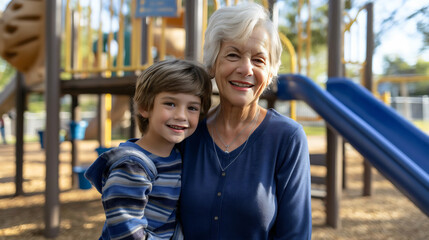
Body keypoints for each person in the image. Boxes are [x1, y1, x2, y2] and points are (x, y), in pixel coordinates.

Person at [178, 3, 312, 239]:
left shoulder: (287, 138)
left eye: (259, 60)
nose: (245, 68)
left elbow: (295, 234)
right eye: (233, 55)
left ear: (270, 73)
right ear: (212, 63)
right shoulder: (186, 131)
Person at [85, 59, 212, 240]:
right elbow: (127, 232)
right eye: (170, 104)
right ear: (144, 107)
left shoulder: (177, 156)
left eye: (192, 108)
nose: (181, 116)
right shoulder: (132, 166)